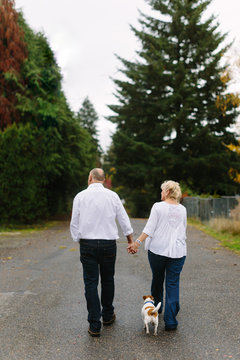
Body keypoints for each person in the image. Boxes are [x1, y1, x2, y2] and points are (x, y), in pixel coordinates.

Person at [70, 168, 133, 337]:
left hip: (87, 244)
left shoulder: (80, 196)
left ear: (90, 177)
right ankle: (107, 315)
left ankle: (94, 324)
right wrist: (130, 240)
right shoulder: (112, 196)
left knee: (90, 283)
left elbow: (74, 222)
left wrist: (79, 239)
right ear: (104, 180)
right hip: (108, 244)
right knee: (107, 280)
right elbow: (123, 219)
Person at [128, 180, 187, 331]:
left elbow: (150, 228)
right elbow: (183, 230)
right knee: (172, 284)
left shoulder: (157, 207)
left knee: (158, 278)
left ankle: (156, 308)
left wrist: (137, 243)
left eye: (162, 190)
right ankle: (171, 321)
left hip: (158, 251)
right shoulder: (183, 209)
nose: (160, 193)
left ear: (167, 192)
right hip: (178, 252)